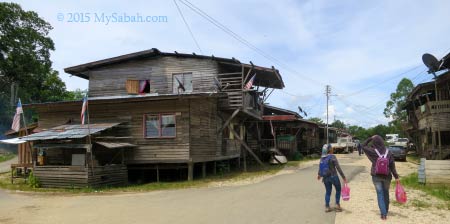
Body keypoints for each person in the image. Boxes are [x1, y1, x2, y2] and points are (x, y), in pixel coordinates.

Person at [362, 135, 399, 220]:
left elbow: (363, 146)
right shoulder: (388, 152)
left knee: (380, 194)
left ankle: (383, 214)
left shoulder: (372, 151)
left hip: (376, 176)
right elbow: (392, 165)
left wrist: (370, 138)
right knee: (386, 192)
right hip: (387, 176)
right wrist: (396, 176)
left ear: (374, 142)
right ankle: (386, 209)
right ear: (382, 141)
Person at [317, 144, 347, 212]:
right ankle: (337, 205)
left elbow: (320, 167)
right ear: (329, 150)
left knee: (328, 192)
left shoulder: (322, 157)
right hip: (334, 176)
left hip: (325, 178)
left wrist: (319, 175)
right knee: (338, 190)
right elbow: (338, 167)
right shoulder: (332, 157)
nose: (332, 149)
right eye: (332, 148)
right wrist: (343, 177)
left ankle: (327, 207)